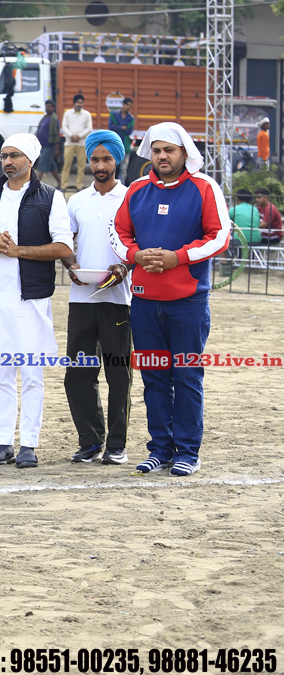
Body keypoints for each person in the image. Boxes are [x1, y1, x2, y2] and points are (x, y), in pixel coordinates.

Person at [111, 122, 230, 477]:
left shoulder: (204, 187)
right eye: (157, 150)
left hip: (188, 304)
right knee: (154, 378)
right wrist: (135, 255)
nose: (162, 156)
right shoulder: (136, 189)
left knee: (187, 377)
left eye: (169, 150)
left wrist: (178, 257)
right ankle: (160, 450)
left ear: (184, 152)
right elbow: (117, 233)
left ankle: (188, 452)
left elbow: (219, 236)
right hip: (144, 304)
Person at [0, 133, 72, 469]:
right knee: (0, 374)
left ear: (31, 159)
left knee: (31, 374)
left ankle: (29, 444)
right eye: (4, 156)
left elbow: (63, 247)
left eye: (14, 155)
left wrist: (17, 251)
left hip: (31, 298)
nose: (8, 161)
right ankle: (4, 443)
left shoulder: (51, 197)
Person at [62, 131, 133, 466]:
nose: (100, 165)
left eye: (107, 159)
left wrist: (125, 266)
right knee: (78, 373)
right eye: (95, 159)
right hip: (82, 298)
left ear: (117, 160)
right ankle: (90, 442)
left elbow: (139, 244)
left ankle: (116, 445)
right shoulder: (77, 201)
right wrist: (71, 265)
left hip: (119, 299)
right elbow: (64, 242)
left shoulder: (132, 197)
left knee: (118, 373)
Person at [61, 94, 93, 191]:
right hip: (69, 143)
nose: (80, 104)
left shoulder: (87, 114)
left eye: (81, 103)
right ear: (74, 103)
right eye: (78, 102)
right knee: (66, 166)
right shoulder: (68, 113)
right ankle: (63, 186)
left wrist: (79, 136)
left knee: (81, 166)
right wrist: (71, 136)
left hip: (81, 143)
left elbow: (89, 128)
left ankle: (79, 186)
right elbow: (64, 127)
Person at [34, 99, 62, 187]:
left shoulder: (54, 119)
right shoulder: (44, 118)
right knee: (52, 166)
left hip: (49, 146)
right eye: (46, 106)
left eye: (50, 106)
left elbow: (57, 134)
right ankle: (59, 183)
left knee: (41, 165)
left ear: (53, 108)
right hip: (42, 146)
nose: (48, 108)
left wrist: (57, 148)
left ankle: (35, 185)